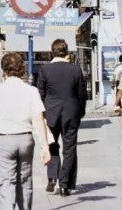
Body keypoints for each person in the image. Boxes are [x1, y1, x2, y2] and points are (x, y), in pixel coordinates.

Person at [0, 52, 51, 210]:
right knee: (25, 181)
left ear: (4, 70)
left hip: (6, 140)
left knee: (7, 182)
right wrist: (45, 146)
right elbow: (39, 118)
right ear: (22, 69)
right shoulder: (31, 91)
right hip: (26, 139)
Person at [37, 38, 87, 197]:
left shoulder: (45, 70)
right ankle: (65, 185)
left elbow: (40, 94)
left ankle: (52, 177)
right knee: (70, 149)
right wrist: (80, 112)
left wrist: (42, 114)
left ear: (52, 52)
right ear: (66, 52)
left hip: (51, 112)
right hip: (71, 112)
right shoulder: (75, 69)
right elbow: (82, 94)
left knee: (52, 144)